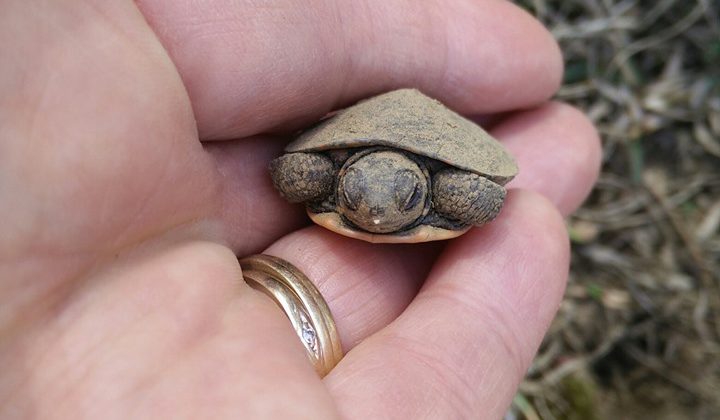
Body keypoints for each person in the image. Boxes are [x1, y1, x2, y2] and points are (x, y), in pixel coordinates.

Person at [0, 0, 601, 418]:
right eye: (360, 204)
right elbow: (296, 168)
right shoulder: (330, 174)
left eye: (397, 207)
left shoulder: (447, 187)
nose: (373, 217)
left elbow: (489, 190)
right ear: (345, 184)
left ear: (424, 191)